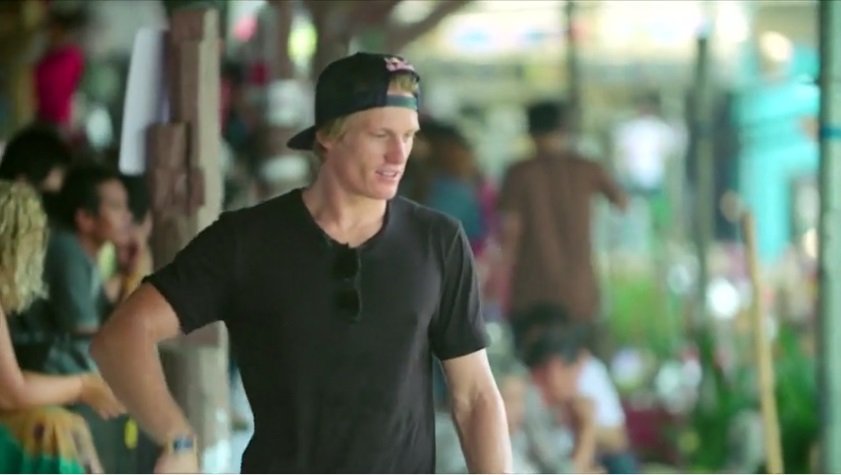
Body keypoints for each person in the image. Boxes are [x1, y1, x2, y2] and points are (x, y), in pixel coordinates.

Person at [91, 52, 512, 473]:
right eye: (381, 134)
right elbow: (120, 337)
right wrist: (177, 437)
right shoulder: (248, 240)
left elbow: (474, 395)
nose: (398, 154)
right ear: (328, 136)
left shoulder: (438, 241)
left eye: (409, 135)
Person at [0, 180, 124, 473]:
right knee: (54, 428)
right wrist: (83, 386)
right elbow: (10, 392)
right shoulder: (69, 251)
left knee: (71, 426)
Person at [498, 99, 629, 326]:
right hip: (580, 292)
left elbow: (510, 231)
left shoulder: (519, 173)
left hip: (532, 290)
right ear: (564, 130)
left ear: (530, 133)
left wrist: (498, 279)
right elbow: (622, 203)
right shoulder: (587, 168)